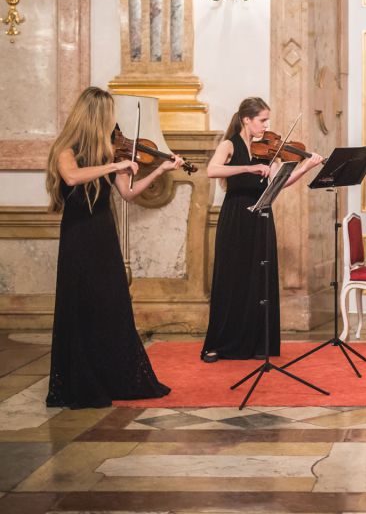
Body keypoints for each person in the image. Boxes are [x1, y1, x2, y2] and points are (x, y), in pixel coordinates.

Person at [45, 86, 185, 408]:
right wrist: (113, 166)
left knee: (112, 305)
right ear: (96, 115)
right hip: (78, 236)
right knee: (81, 307)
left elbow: (128, 193)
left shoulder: (112, 149)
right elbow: (71, 177)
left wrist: (160, 169)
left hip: (104, 235)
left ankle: (115, 377)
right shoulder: (66, 148)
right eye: (109, 113)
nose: (114, 119)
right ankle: (83, 381)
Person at [201, 97, 324, 363]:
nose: (266, 126)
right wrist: (248, 167)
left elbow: (283, 182)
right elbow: (211, 170)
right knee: (231, 278)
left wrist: (306, 167)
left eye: (267, 120)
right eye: (262, 120)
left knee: (258, 278)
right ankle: (217, 344)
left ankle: (256, 342)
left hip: (262, 215)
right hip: (236, 216)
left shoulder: (267, 150)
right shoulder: (229, 144)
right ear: (247, 119)